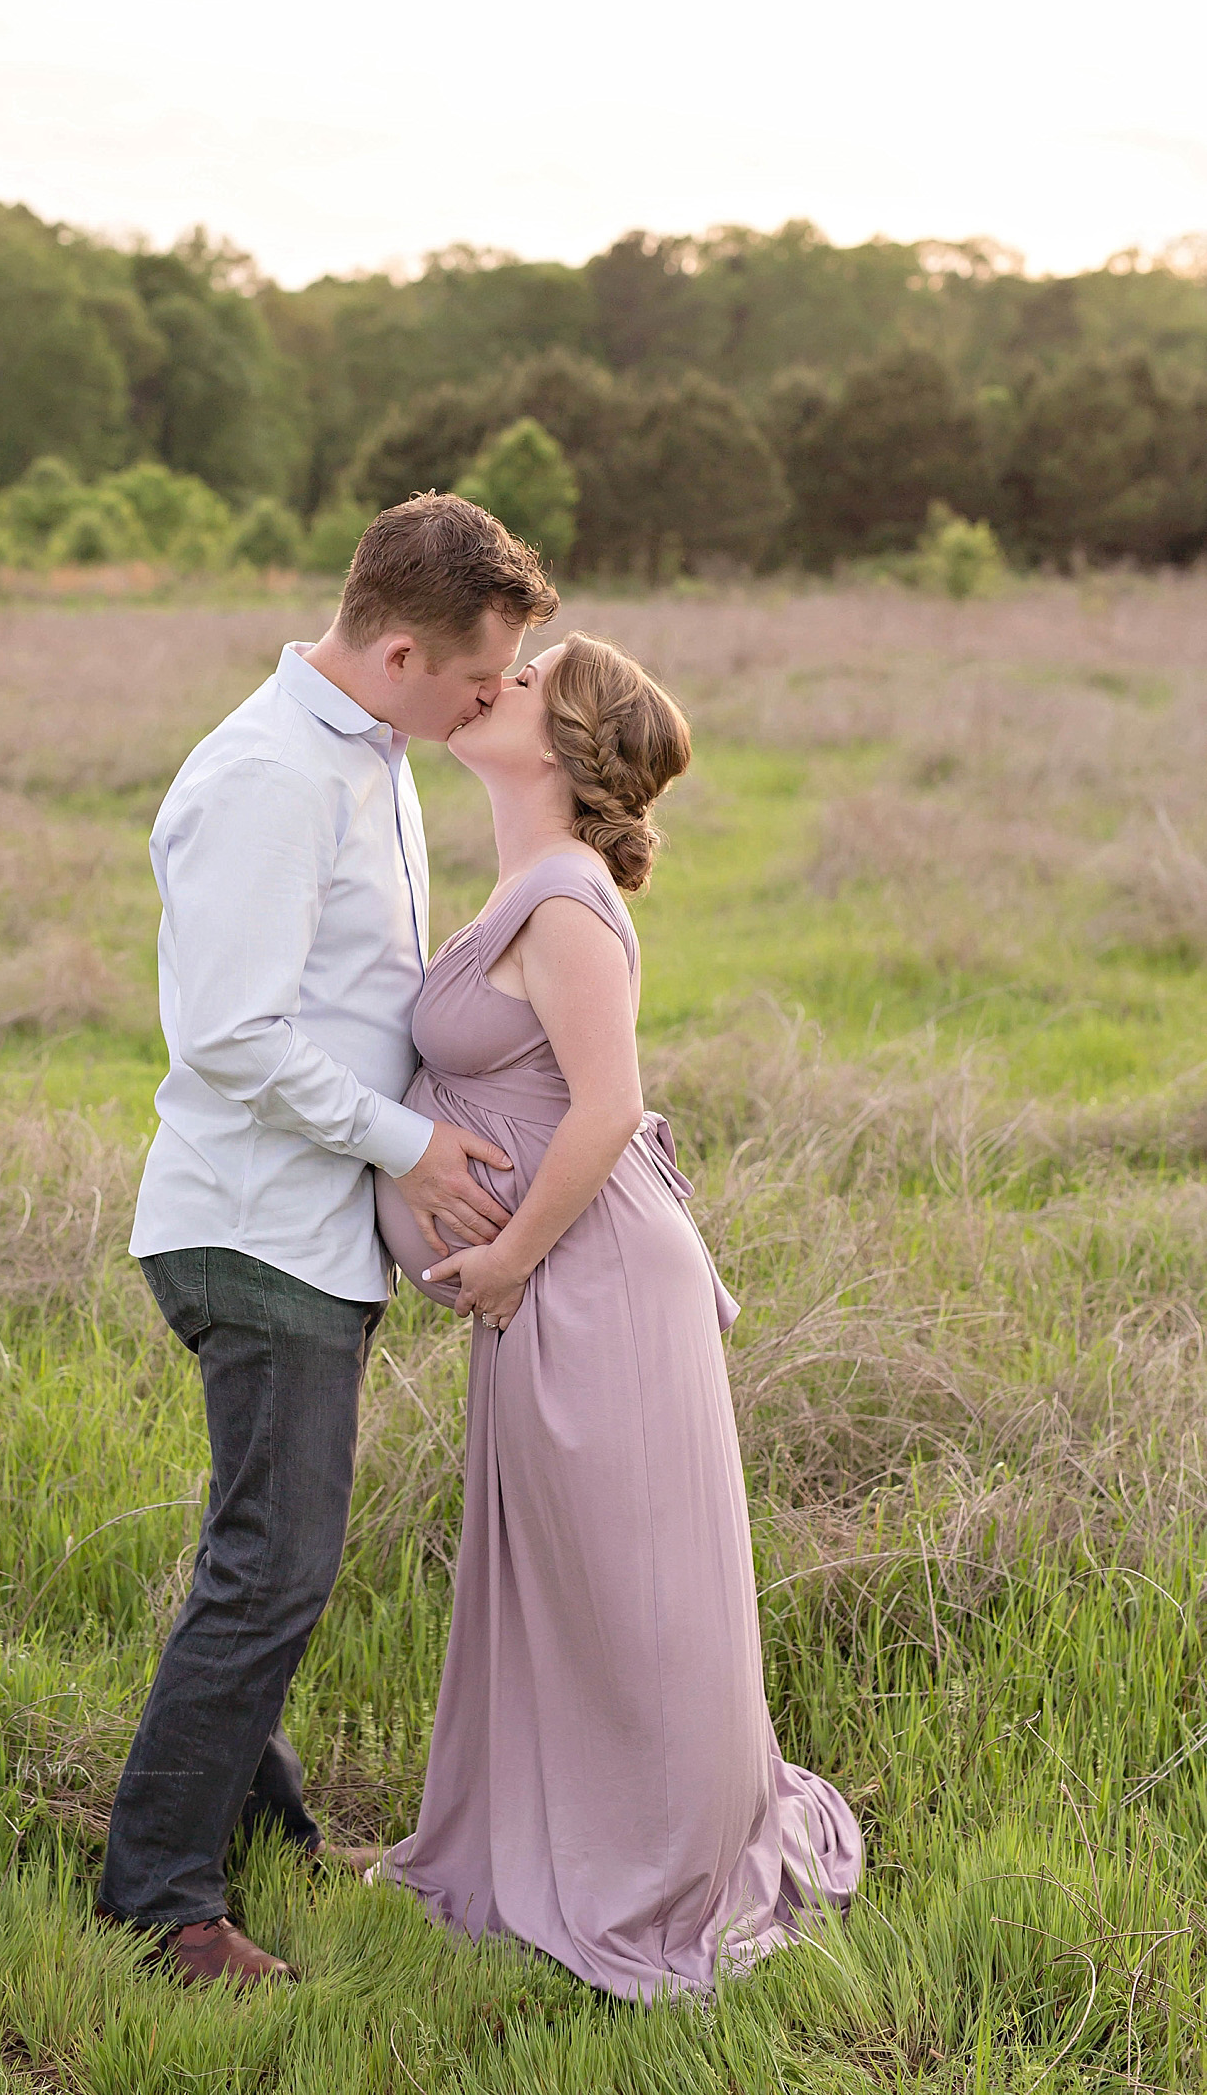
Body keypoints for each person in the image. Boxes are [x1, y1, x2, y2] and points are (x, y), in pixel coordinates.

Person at [96, 494, 559, 1987]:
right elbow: (231, 1035)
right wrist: (414, 1142)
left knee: (270, 1549)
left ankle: (265, 1824)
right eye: (478, 680)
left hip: (309, 1228)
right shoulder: (268, 774)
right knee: (273, 1565)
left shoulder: (368, 756)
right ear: (404, 645)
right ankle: (158, 1900)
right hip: (254, 1228)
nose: (492, 704)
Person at [372, 630, 863, 2000]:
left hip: (593, 1283)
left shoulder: (571, 904)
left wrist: (516, 1255)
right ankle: (532, 1839)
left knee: (632, 1593)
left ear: (570, 743)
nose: (494, 681)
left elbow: (604, 1105)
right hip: (552, 1286)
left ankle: (664, 1878)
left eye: (526, 679)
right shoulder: (524, 881)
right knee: (559, 1586)